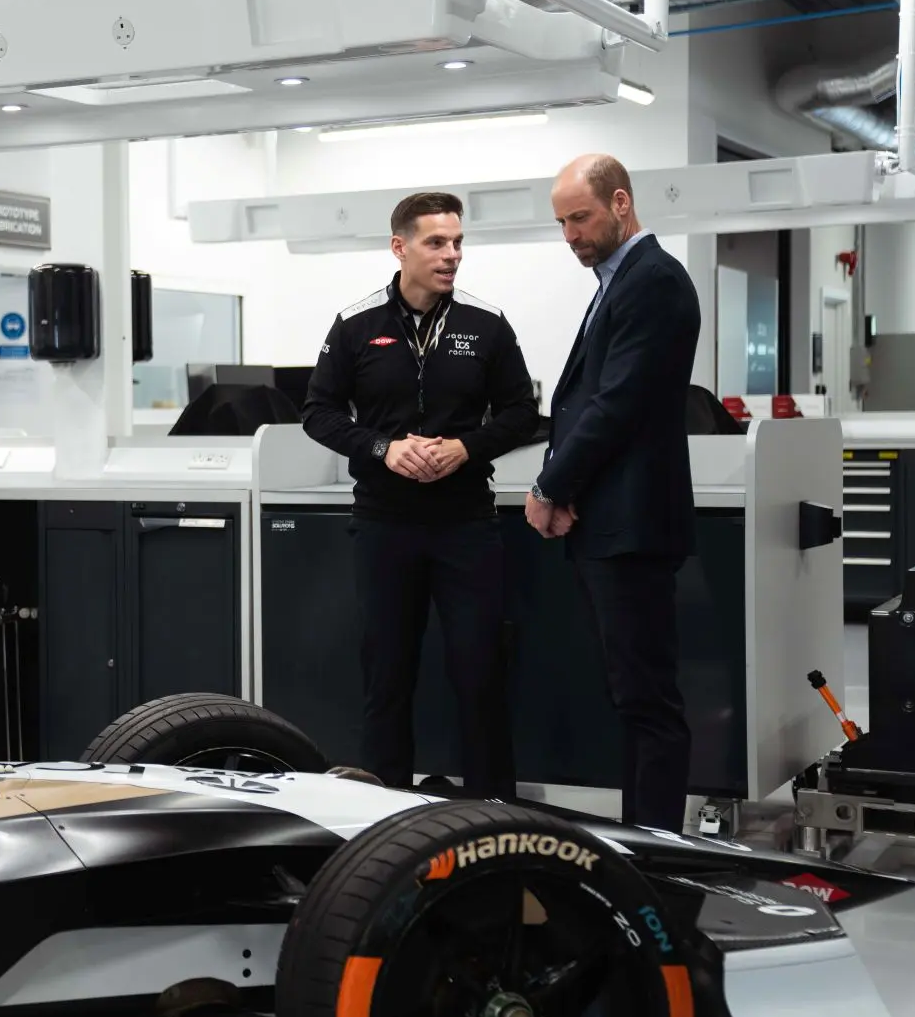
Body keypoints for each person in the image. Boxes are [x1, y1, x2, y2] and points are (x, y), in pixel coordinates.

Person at [301, 191, 540, 798]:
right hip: (385, 526)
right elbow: (319, 414)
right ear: (399, 247)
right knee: (387, 679)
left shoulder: (487, 323)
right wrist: (383, 448)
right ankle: (381, 812)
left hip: (466, 525)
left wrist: (466, 448)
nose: (452, 254)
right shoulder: (355, 324)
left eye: (458, 242)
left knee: (480, 675)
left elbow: (522, 413)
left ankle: (495, 812)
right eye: (437, 242)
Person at [527, 153, 702, 833]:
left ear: (621, 203)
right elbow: (590, 405)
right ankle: (638, 842)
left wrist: (551, 485)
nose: (570, 234)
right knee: (631, 698)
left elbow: (615, 406)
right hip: (608, 521)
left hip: (632, 527)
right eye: (561, 223)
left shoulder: (653, 280)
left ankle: (656, 852)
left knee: (648, 702)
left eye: (581, 217)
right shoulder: (617, 281)